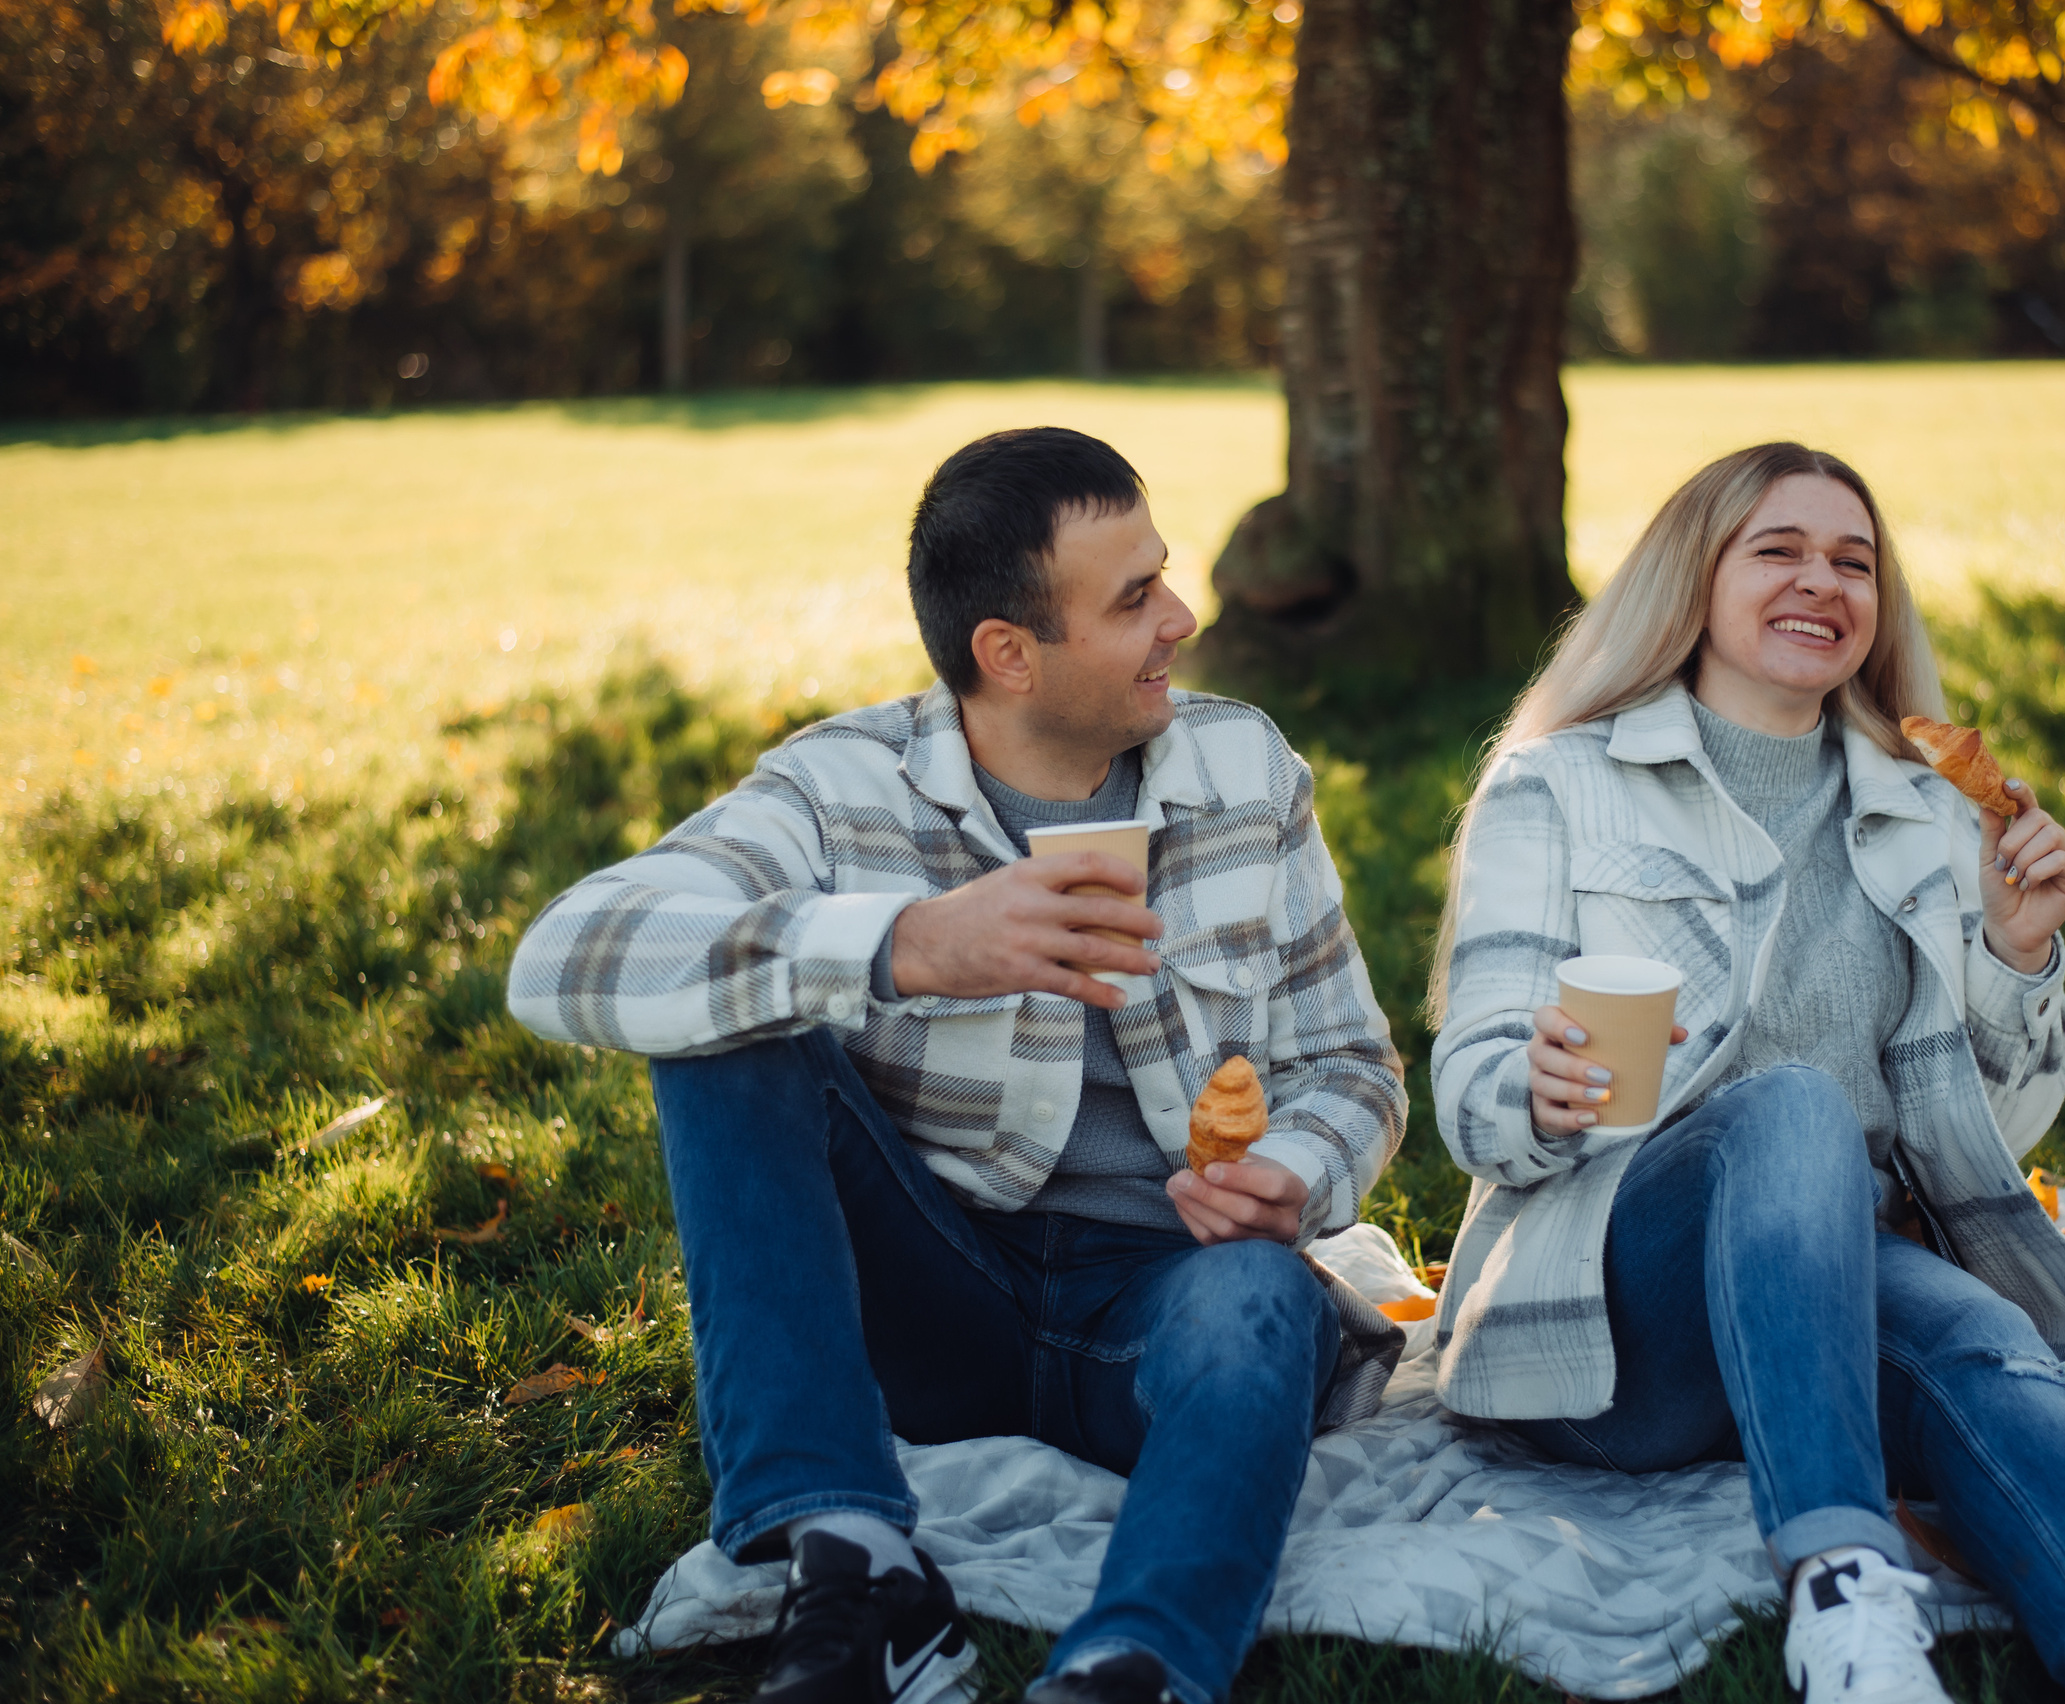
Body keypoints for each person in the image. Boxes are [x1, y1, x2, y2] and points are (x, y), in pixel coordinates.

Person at [1426, 442, 2065, 1704]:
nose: (1820, 582)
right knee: (1786, 1112)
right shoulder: (1557, 784)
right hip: (1611, 1320)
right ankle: (1845, 1601)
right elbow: (1469, 1094)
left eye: (1853, 561)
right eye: (1776, 550)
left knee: (1985, 1334)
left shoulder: (1926, 808)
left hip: (1831, 1280)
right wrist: (1538, 1090)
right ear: (1692, 582)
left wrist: (2014, 950)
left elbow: (1985, 1137)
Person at [508, 427, 1407, 1704]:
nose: (1184, 618)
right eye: (1134, 598)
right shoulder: (842, 786)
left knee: (1269, 1292)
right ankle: (861, 1567)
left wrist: (1296, 1174)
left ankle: (1131, 1665)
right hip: (931, 1300)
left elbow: (1355, 1064)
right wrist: (903, 945)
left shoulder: (1242, 769)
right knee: (725, 1027)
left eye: (1164, 575)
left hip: (1171, 1299)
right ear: (1008, 653)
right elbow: (563, 957)